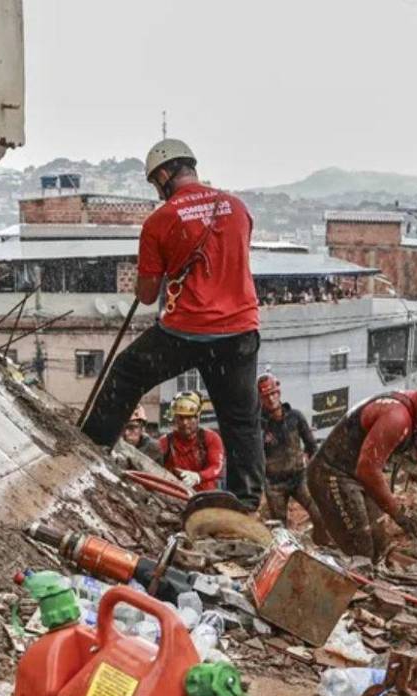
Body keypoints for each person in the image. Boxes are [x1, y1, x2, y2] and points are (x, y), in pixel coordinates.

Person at [79, 138, 264, 506]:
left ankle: (91, 447)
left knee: (127, 373)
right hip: (240, 329)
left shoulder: (160, 221)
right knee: (241, 418)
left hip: (188, 330)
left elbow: (147, 295)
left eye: (155, 183)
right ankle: (246, 501)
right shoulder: (238, 208)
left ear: (163, 175)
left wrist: (155, 269)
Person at [308, 370, 417, 560]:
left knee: (381, 547)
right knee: (361, 550)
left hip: (355, 475)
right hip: (330, 473)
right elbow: (367, 470)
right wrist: (399, 513)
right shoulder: (398, 417)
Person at [258, 374, 322, 530]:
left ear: (279, 393)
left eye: (273, 393)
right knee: (279, 527)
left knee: (319, 513)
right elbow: (256, 457)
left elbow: (311, 445)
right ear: (260, 399)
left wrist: (313, 470)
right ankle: (286, 553)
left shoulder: (295, 417)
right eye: (266, 396)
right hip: (274, 484)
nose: (271, 399)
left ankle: (322, 543)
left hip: (299, 477)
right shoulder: (259, 424)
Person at [158, 394, 224, 492]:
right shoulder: (165, 441)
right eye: (181, 418)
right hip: (174, 496)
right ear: (175, 418)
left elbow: (216, 466)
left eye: (189, 417)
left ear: (197, 417)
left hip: (206, 496)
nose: (185, 423)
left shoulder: (211, 438)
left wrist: (198, 476)